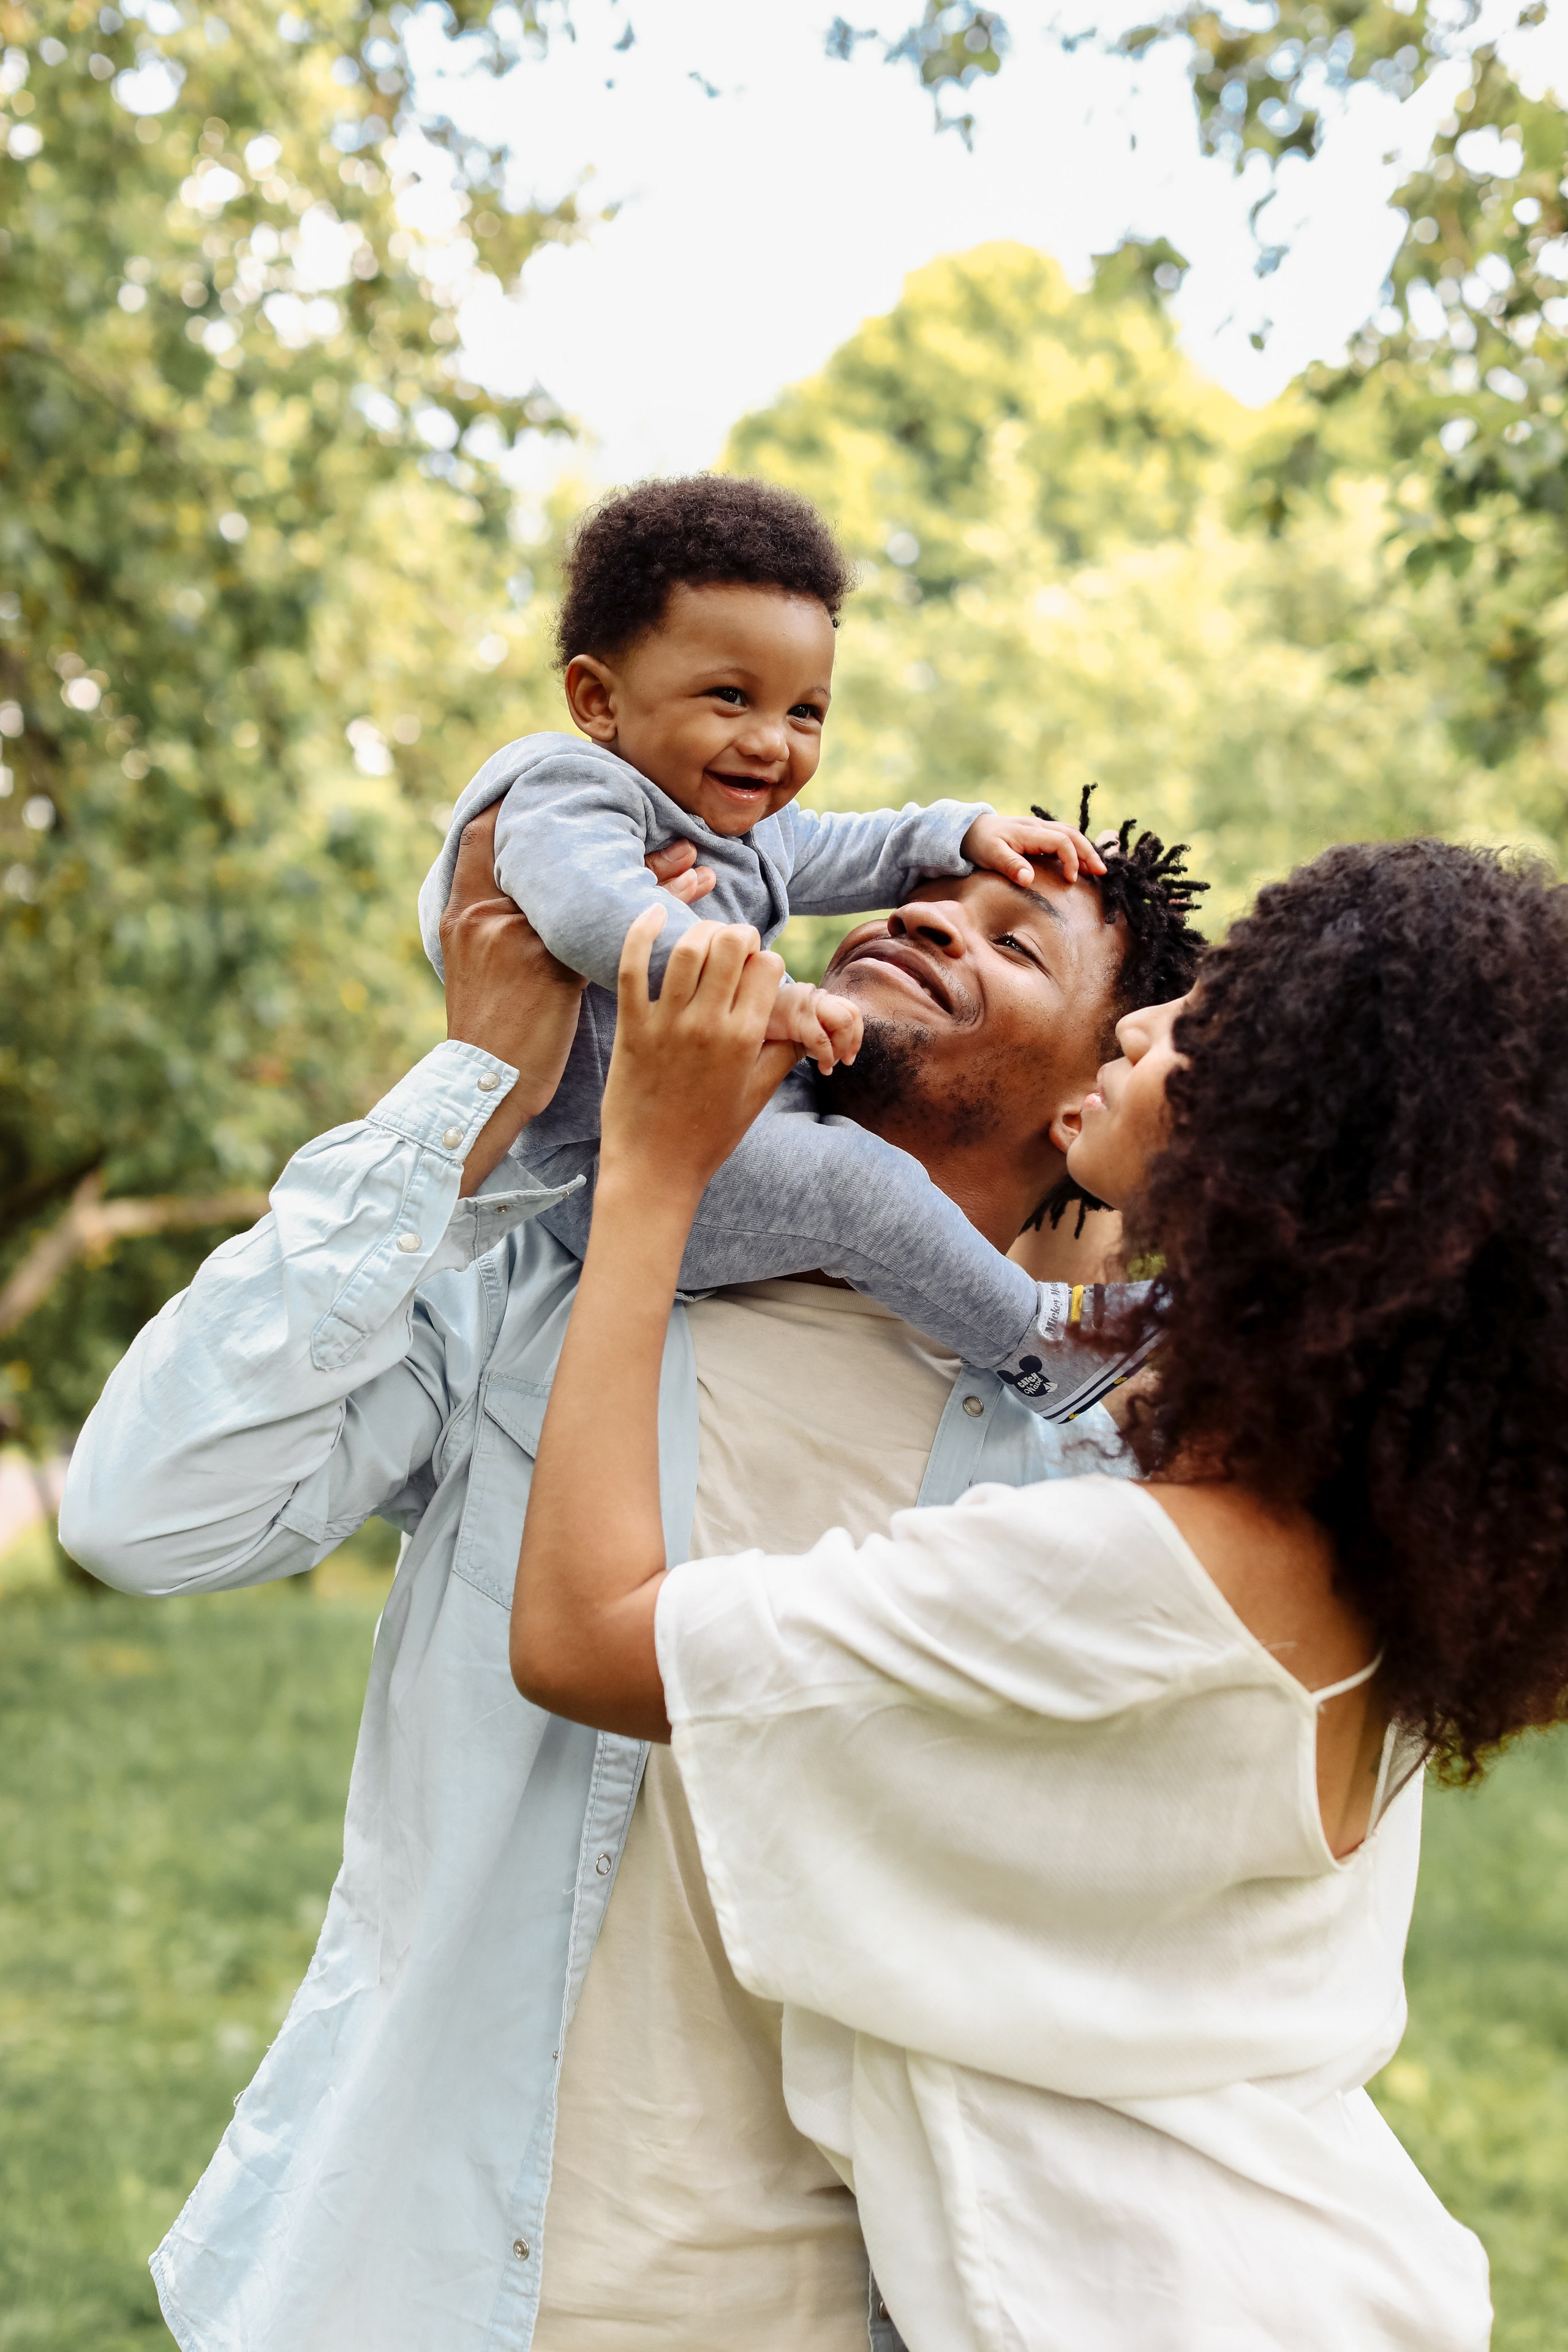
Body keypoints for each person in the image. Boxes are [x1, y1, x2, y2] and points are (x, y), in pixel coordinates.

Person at [59, 803, 1203, 2352]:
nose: (924, 922)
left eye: (1015, 943)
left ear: (1091, 1095)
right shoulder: (544, 1281)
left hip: (842, 2308)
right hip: (418, 2285)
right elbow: (145, 1512)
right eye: (918, 899)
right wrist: (478, 1083)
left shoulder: (1095, 1469)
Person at [510, 834, 1568, 2350]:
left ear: (1302, 1135)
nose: (1144, 1023)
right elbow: (1086, 1325)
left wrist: (652, 1173)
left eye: (1202, 1030)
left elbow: (582, 1637)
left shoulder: (1118, 1576)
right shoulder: (1352, 1558)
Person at [419, 475, 1180, 1414]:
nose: (771, 743)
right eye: (730, 697)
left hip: (716, 1126)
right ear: (597, 699)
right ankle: (1036, 1341)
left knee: (853, 1178)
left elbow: (845, 848)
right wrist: (761, 994)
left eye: (805, 712)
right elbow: (592, 913)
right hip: (605, 1158)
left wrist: (960, 832)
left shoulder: (733, 820)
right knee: (853, 1187)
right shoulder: (566, 792)